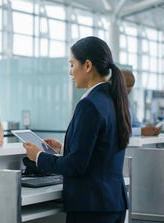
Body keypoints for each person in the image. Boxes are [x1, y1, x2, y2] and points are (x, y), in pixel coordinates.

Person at [23, 36, 130, 223]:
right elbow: (101, 149)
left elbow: (75, 166)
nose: (70, 72)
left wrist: (38, 156)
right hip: (112, 202)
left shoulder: (89, 104)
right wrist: (64, 148)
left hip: (92, 206)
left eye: (72, 65)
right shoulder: (113, 99)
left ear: (87, 65)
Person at [121, 68, 161, 136]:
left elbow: (136, 123)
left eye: (131, 86)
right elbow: (117, 131)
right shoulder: (108, 102)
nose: (129, 90)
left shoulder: (128, 103)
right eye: (127, 86)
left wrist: (150, 130)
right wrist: (141, 131)